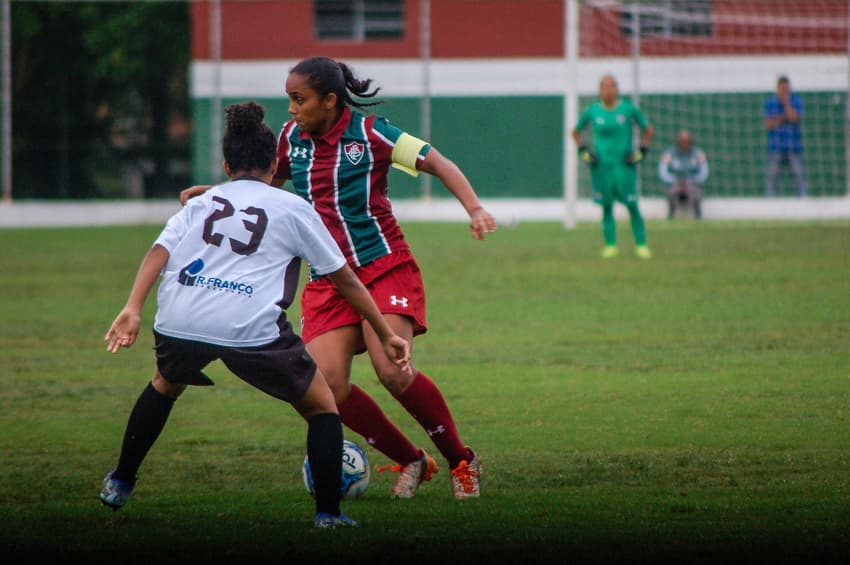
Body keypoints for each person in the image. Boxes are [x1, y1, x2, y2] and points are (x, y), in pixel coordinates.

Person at [181, 56, 496, 500]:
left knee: (393, 371)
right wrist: (219, 193)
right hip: (328, 278)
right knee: (324, 385)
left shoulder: (372, 134)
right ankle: (412, 459)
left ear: (329, 100)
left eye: (299, 99)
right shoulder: (291, 139)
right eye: (290, 99)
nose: (292, 109)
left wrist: (475, 209)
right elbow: (261, 187)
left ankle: (461, 460)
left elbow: (438, 162)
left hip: (383, 266)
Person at [99, 101, 412, 529]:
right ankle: (328, 514)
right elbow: (346, 280)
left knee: (165, 384)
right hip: (248, 327)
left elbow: (159, 251)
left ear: (226, 166)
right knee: (323, 406)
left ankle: (120, 481)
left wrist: (132, 307)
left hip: (180, 318)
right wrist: (385, 332)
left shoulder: (201, 202)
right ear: (274, 165)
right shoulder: (293, 208)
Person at [572, 74, 654, 259]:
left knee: (632, 205)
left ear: (617, 89)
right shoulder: (593, 111)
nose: (608, 90)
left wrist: (642, 151)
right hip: (601, 167)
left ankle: (641, 245)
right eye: (604, 86)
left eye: (611, 86)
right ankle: (610, 245)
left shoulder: (627, 109)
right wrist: (584, 152)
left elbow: (648, 129)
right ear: (599, 90)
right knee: (606, 206)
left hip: (623, 166)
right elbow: (575, 132)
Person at [763, 75, 807, 197]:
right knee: (772, 179)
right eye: (782, 88)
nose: (784, 91)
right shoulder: (770, 103)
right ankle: (770, 203)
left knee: (799, 178)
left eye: (786, 88)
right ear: (777, 89)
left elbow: (794, 117)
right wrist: (784, 118)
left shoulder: (796, 101)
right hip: (776, 147)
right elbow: (768, 124)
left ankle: (803, 202)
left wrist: (786, 103)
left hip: (793, 146)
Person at [658, 129, 709, 219]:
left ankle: (698, 216)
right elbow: (662, 172)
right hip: (675, 184)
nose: (684, 143)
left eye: (686, 141)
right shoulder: (670, 154)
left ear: (691, 141)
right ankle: (671, 215)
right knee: (672, 191)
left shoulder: (698, 153)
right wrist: (675, 181)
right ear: (678, 142)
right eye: (682, 141)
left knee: (696, 192)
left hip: (692, 184)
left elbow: (704, 172)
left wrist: (691, 181)